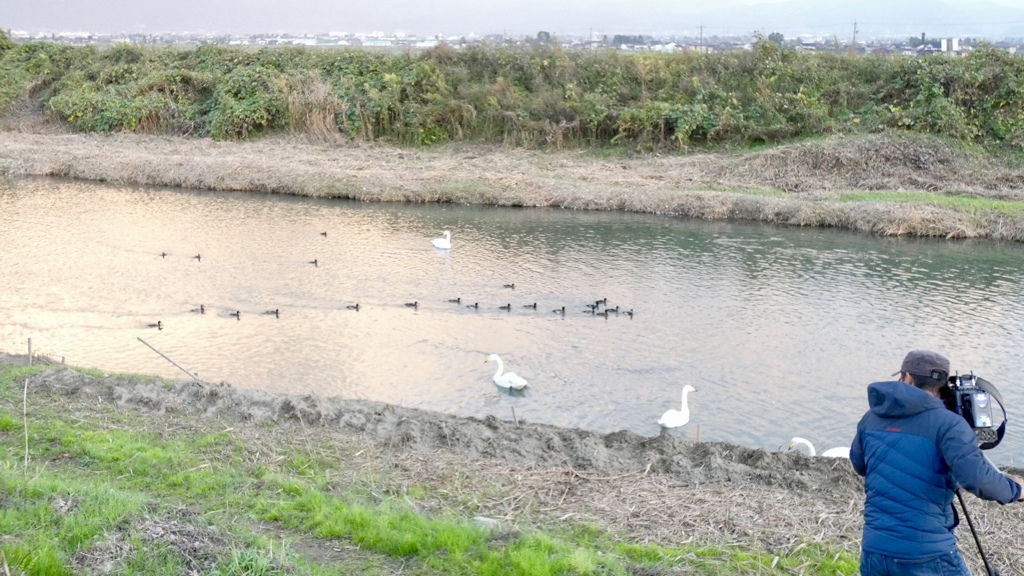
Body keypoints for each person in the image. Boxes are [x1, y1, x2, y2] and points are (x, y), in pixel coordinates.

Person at [850, 350, 1024, 575]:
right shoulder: (950, 425)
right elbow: (978, 479)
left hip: (874, 551)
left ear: (908, 377)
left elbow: (859, 465)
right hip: (927, 554)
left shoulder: (870, 418)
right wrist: (1016, 488)